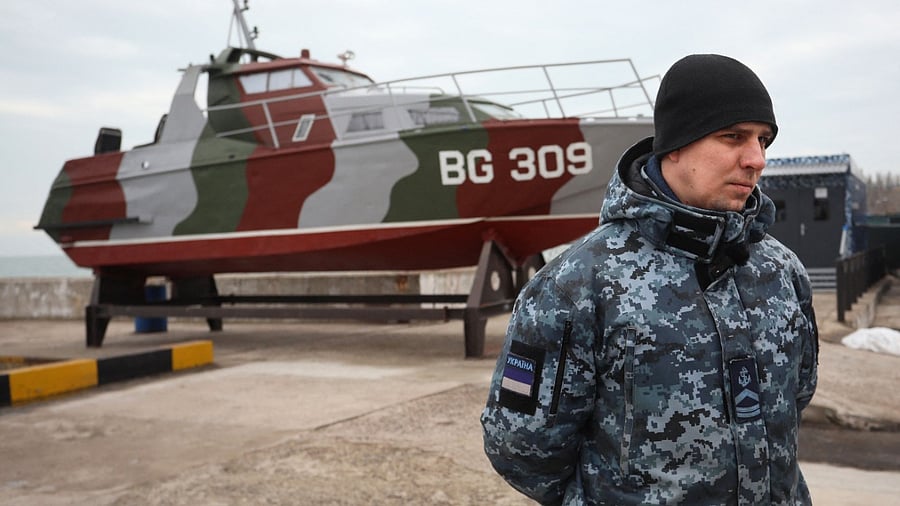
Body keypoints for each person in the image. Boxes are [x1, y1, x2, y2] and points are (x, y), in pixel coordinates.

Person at [481, 54, 819, 505]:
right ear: (675, 145)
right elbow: (522, 446)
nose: (756, 159)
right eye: (733, 136)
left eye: (763, 140)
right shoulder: (580, 283)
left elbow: (796, 395)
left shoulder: (781, 270)